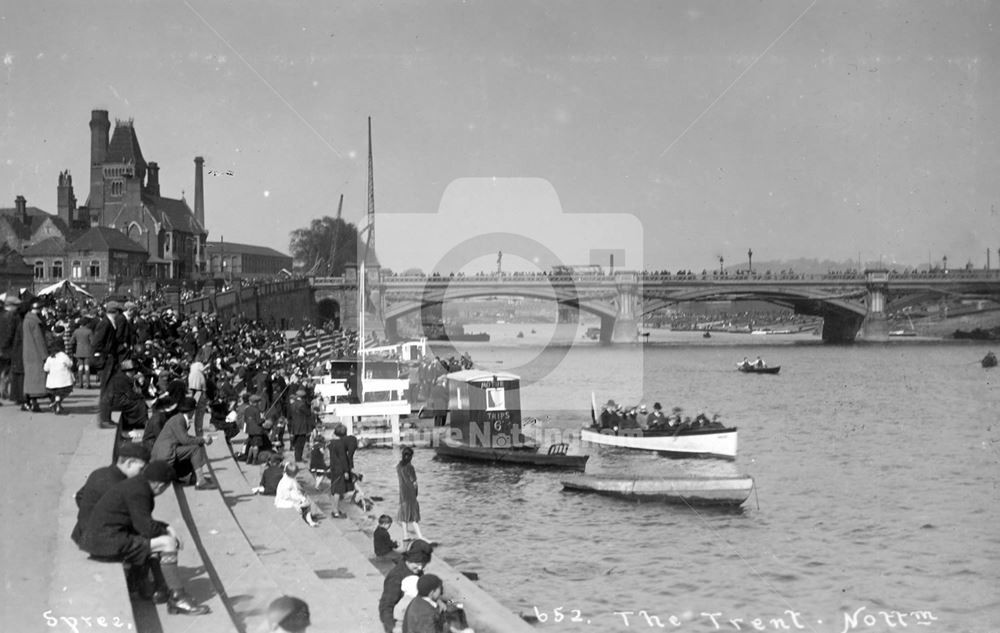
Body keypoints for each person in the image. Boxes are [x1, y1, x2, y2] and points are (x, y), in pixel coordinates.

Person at [80, 460, 211, 615]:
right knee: (167, 543)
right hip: (106, 542)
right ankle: (178, 598)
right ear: (160, 485)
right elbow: (146, 528)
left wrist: (167, 527)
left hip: (102, 537)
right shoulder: (139, 492)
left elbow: (142, 524)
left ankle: (160, 589)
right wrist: (167, 531)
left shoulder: (137, 485)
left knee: (157, 540)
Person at [71, 443, 151, 546]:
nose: (142, 474)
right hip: (101, 541)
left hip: (82, 534)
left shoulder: (99, 473)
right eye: (141, 469)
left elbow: (79, 496)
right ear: (129, 463)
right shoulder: (122, 486)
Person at [150, 396, 217, 490]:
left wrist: (201, 439)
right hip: (165, 455)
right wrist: (203, 439)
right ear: (191, 411)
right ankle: (200, 482)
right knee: (196, 448)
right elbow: (185, 440)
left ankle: (196, 478)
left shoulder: (178, 418)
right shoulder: (178, 420)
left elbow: (185, 439)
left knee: (197, 445)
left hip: (168, 451)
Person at [379, 541, 433, 633]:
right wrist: (393, 628)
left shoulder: (417, 571)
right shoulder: (396, 576)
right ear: (410, 558)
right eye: (417, 563)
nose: (420, 567)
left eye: (423, 564)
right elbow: (386, 606)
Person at [21, 300, 49, 412]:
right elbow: (39, 340)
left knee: (29, 379)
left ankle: (27, 402)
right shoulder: (35, 322)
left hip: (28, 353)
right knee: (37, 380)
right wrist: (45, 355)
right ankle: (34, 403)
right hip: (36, 354)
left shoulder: (27, 320)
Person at [274, 462, 320, 527]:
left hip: (291, 498)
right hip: (284, 501)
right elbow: (288, 495)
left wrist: (301, 498)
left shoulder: (290, 478)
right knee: (303, 505)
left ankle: (310, 521)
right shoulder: (286, 483)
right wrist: (299, 500)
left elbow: (295, 491)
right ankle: (307, 519)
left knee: (306, 503)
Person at [396, 446, 424, 542]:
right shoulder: (410, 467)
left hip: (402, 493)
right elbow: (414, 483)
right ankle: (420, 536)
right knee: (414, 516)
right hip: (410, 493)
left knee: (404, 514)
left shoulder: (398, 466)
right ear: (411, 456)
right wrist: (416, 493)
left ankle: (405, 535)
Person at [43, 338, 74, 414]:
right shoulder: (63, 356)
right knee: (63, 392)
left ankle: (56, 404)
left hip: (52, 384)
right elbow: (70, 364)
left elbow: (45, 369)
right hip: (64, 383)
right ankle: (57, 403)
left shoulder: (50, 357)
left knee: (55, 393)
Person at [327, 424, 352, 518]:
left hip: (333, 469)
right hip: (340, 470)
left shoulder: (331, 442)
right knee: (338, 491)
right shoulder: (341, 445)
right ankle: (335, 511)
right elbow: (343, 459)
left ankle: (335, 509)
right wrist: (346, 471)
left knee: (334, 490)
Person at [287, 387, 316, 463]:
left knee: (296, 442)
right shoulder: (302, 405)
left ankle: (297, 457)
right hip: (302, 425)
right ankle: (298, 458)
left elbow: (289, 415)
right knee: (300, 443)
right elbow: (308, 413)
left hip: (294, 425)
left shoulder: (292, 404)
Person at [71, 317, 94, 389]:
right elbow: (92, 342)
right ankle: (88, 383)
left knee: (80, 367)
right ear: (87, 323)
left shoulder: (76, 331)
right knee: (87, 367)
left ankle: (80, 383)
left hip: (79, 350)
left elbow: (71, 341)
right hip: (87, 350)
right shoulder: (89, 331)